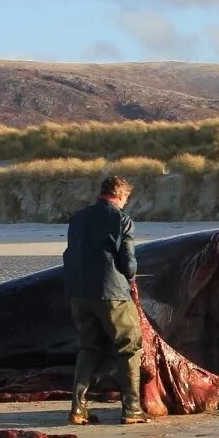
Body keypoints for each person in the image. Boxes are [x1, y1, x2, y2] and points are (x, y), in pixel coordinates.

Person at [63, 175, 148, 425]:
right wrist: (131, 275)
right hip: (112, 293)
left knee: (89, 347)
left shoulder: (78, 218)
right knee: (129, 345)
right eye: (126, 199)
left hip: (79, 292)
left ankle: (78, 409)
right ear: (121, 195)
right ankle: (132, 409)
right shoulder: (122, 219)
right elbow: (127, 260)